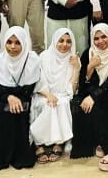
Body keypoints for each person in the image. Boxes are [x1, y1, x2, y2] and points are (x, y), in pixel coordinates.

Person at [0, 27, 41, 170]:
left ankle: (18, 155)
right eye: (9, 42)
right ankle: (0, 155)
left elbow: (28, 89)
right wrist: (8, 96)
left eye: (17, 43)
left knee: (18, 111)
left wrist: (4, 93)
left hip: (24, 97)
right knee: (1, 111)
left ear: (24, 43)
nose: (12, 47)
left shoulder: (32, 61)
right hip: (4, 99)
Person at [71, 23, 108, 163]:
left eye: (104, 37)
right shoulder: (88, 53)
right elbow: (83, 84)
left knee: (100, 103)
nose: (100, 41)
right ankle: (93, 142)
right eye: (96, 38)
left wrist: (94, 96)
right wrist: (90, 66)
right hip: (90, 91)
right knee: (77, 103)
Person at [29, 28, 80, 163]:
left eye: (68, 41)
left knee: (61, 103)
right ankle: (38, 143)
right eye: (61, 40)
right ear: (54, 41)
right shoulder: (44, 56)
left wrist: (76, 67)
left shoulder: (73, 58)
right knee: (47, 104)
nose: (65, 44)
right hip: (43, 93)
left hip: (63, 95)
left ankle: (58, 142)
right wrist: (48, 94)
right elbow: (37, 80)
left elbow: (72, 90)